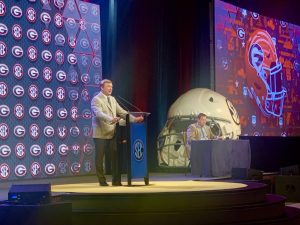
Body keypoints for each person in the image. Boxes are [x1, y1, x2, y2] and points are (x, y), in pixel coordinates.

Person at [91, 79, 143, 186]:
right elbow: (98, 114)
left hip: (112, 133)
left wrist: (134, 119)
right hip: (101, 134)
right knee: (100, 159)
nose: (110, 88)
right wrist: (111, 119)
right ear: (102, 87)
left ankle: (116, 181)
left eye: (111, 86)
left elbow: (122, 112)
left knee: (115, 158)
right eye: (108, 86)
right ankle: (102, 181)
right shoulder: (96, 99)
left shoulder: (113, 99)